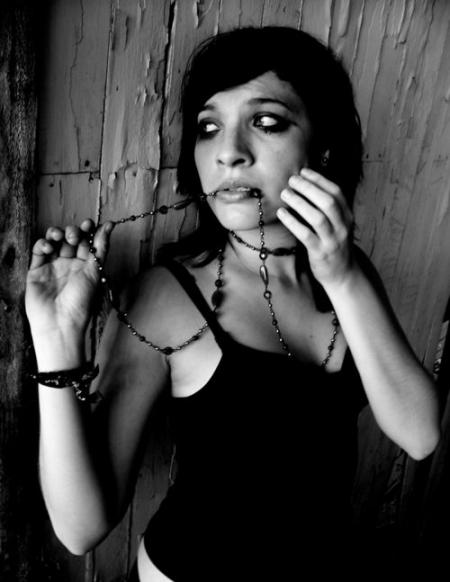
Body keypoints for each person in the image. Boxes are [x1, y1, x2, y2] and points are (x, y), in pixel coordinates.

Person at [25, 27, 440, 581]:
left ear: (323, 147)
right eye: (209, 127)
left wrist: (343, 278)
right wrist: (56, 339)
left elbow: (420, 434)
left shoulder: (348, 271)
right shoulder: (168, 297)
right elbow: (81, 529)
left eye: (266, 122)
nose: (228, 153)